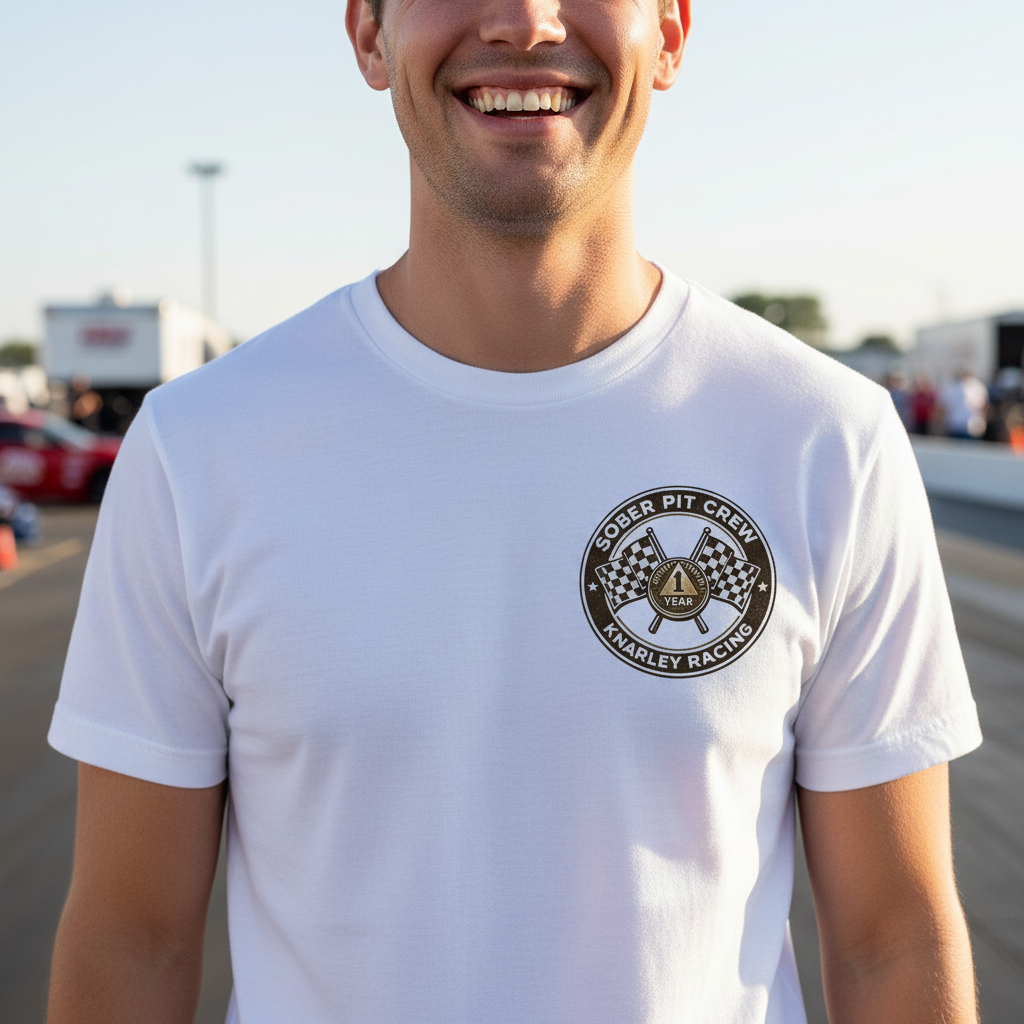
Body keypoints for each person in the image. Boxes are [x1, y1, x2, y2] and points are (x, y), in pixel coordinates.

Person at [46, 2, 982, 1023]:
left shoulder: (824, 438)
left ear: (669, 34)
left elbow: (891, 936)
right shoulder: (200, 450)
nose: (525, 21)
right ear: (368, 34)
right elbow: (131, 937)